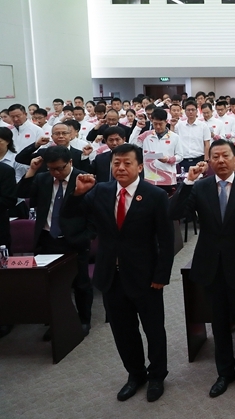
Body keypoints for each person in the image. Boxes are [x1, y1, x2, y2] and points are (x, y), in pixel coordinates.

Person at [62, 144, 174, 402]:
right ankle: (135, 374)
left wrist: (161, 276)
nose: (120, 168)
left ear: (140, 166)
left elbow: (166, 241)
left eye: (127, 163)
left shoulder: (154, 195)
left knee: (154, 330)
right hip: (110, 276)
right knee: (123, 331)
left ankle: (157, 376)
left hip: (146, 276)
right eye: (116, 163)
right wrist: (77, 194)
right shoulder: (100, 191)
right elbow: (70, 216)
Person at [169, 139, 235, 397]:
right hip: (211, 267)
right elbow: (175, 212)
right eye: (215, 157)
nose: (220, 161)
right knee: (219, 323)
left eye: (225, 156)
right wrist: (188, 182)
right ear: (209, 161)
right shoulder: (200, 187)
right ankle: (224, 373)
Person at [16, 146, 95, 337]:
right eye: (51, 169)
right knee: (53, 284)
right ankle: (58, 322)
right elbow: (21, 192)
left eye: (60, 168)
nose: (56, 173)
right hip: (47, 238)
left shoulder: (84, 179)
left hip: (74, 239)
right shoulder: (43, 178)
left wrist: (87, 236)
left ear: (70, 162)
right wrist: (32, 170)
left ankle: (84, 320)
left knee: (81, 283)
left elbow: (94, 213)